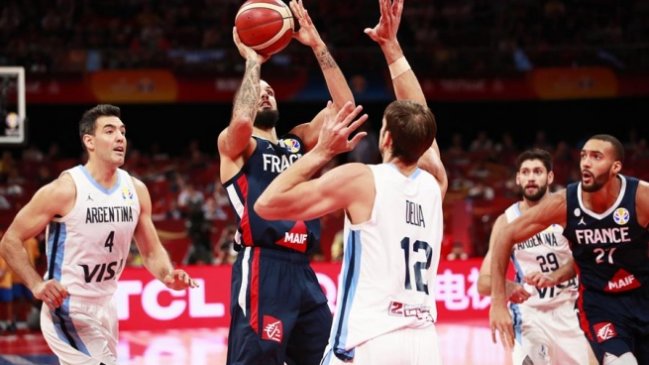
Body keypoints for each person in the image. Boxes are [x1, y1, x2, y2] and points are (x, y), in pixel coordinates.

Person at [255, 1, 448, 363]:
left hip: (369, 339)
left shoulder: (362, 179)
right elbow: (423, 117)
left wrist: (321, 152)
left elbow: (268, 204)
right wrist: (393, 49)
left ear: (385, 139)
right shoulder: (435, 183)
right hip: (425, 343)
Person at [0, 104, 198, 365]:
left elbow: (150, 251)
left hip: (106, 304)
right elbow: (10, 240)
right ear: (89, 141)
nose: (120, 137)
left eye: (122, 131)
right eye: (110, 131)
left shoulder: (135, 189)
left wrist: (167, 275)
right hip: (68, 306)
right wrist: (37, 284)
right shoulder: (65, 189)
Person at [219, 0, 355, 363]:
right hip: (264, 264)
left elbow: (345, 109)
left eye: (270, 91)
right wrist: (253, 63)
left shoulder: (298, 141)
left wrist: (316, 45)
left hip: (303, 271)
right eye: (257, 91)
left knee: (331, 356)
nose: (265, 93)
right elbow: (242, 122)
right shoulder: (237, 145)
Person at [490, 134, 649, 365]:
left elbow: (577, 259)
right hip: (601, 305)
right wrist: (497, 301)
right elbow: (506, 234)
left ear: (616, 167)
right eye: (583, 156)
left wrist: (555, 275)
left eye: (596, 157)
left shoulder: (640, 197)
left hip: (641, 296)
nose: (586, 162)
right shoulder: (566, 203)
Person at [478, 148, 592, 364]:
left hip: (570, 310)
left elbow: (586, 261)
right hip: (529, 314)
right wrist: (505, 287)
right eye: (526, 172)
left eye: (538, 171)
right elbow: (483, 282)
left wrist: (558, 274)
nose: (531, 177)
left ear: (549, 177)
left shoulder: (567, 213)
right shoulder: (507, 221)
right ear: (518, 179)